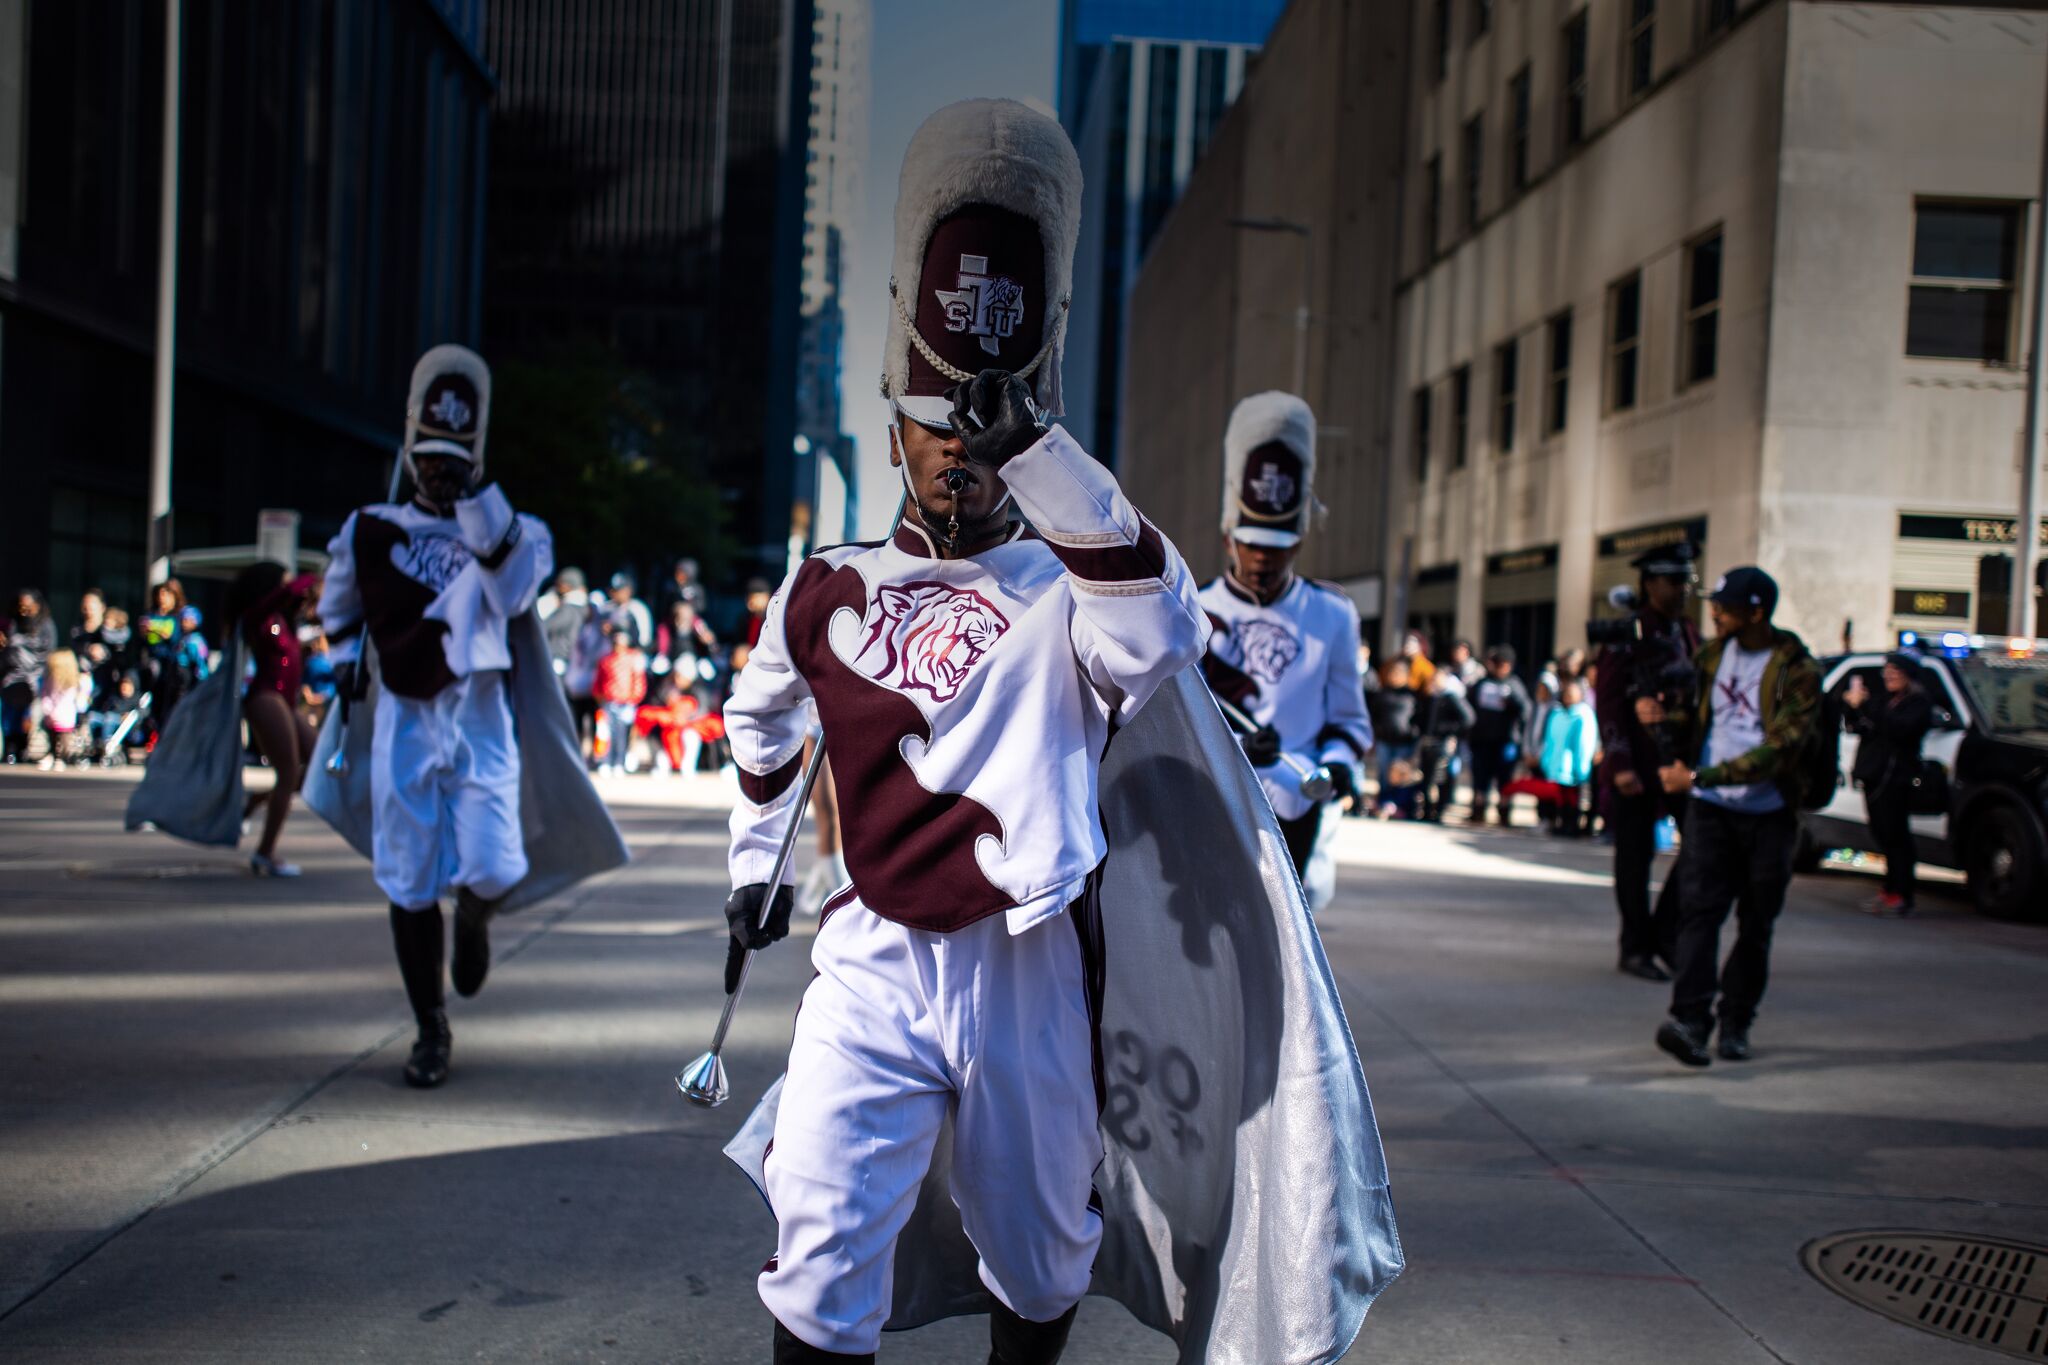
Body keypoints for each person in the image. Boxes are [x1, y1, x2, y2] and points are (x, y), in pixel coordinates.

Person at [723, 100, 1210, 1364]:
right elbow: (760, 715)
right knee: (816, 1261)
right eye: (937, 419)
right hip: (870, 962)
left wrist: (1044, 453)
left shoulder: (1070, 589)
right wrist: (749, 867)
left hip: (1025, 965)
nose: (960, 451)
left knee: (1041, 1264)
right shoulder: (822, 581)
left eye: (985, 428)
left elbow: (1164, 634)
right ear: (892, 425)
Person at [314, 344, 615, 1089]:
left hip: (482, 724)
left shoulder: (515, 527)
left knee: (495, 862)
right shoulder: (368, 529)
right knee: (409, 879)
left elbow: (515, 591)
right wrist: (351, 658)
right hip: (406, 721)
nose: (439, 470)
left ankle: (476, 916)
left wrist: (478, 498)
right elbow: (336, 615)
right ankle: (430, 1027)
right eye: (429, 456)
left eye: (455, 457)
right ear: (410, 453)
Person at [1650, 566, 1822, 1066]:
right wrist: (1659, 718)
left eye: (1724, 606)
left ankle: (1736, 1021)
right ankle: (1691, 1021)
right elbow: (1691, 720)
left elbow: (1781, 751)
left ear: (1755, 611)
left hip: (1768, 815)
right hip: (1711, 813)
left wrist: (1701, 779)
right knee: (1699, 914)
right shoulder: (1710, 656)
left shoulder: (1798, 669)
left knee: (1756, 923)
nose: (1714, 613)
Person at [1197, 391, 1372, 877]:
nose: (1261, 559)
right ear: (1228, 535)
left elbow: (1349, 722)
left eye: (1277, 547)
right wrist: (1232, 746)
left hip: (1298, 806)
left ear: (1299, 539)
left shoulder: (1332, 614)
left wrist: (1336, 767)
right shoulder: (1194, 611)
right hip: (1216, 800)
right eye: (1250, 543)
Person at [1595, 541, 1703, 981]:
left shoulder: (1688, 632)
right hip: (1637, 762)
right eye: (1674, 581)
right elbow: (1608, 703)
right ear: (1650, 583)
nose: (1682, 589)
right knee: (1635, 859)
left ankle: (1663, 934)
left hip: (1678, 761)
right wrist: (1620, 763)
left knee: (1698, 846)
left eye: (1686, 581)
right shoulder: (1628, 632)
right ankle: (1635, 946)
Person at [226, 563, 320, 877]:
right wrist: (313, 577)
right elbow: (283, 595)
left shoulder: (284, 619)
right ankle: (265, 852)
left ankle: (256, 801)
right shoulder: (259, 616)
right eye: (284, 581)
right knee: (289, 772)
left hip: (285, 702)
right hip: (266, 698)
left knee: (316, 766)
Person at [1843, 653, 1935, 916]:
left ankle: (1900, 892)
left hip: (1895, 777)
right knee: (1881, 832)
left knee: (1896, 836)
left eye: (1895, 671)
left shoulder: (1917, 703)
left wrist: (1869, 706)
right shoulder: (1885, 700)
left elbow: (1898, 728)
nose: (1889, 676)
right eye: (1887, 671)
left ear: (1908, 675)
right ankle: (1889, 889)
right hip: (1874, 773)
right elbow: (1862, 726)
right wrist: (1855, 706)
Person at [1464, 645, 1530, 825]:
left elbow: (1525, 711)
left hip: (1506, 740)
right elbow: (1469, 708)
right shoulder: (1481, 683)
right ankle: (1478, 809)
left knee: (1505, 777)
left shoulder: (1514, 685)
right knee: (1480, 777)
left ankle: (1504, 811)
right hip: (1482, 739)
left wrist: (1512, 701)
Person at [1412, 668, 1474, 823]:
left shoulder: (1451, 698)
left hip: (1442, 744)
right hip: (1428, 742)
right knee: (1426, 778)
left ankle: (1438, 811)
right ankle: (1426, 811)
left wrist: (1450, 732)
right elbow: (1419, 718)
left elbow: (1468, 719)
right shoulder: (1430, 698)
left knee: (1439, 778)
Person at [1539, 677, 1599, 835]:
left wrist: (1581, 767)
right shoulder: (1557, 714)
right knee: (1559, 799)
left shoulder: (1583, 715)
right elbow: (1550, 740)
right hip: (1556, 765)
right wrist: (1546, 760)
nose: (1568, 697)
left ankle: (1572, 825)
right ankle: (1560, 823)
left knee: (1573, 800)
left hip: (1573, 767)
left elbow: (1584, 744)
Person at [3, 590, 56, 763]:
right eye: (21, 606)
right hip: (12, 675)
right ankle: (11, 747)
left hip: (35, 676)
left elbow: (49, 651)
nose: (24, 610)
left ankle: (24, 747)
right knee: (10, 714)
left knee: (29, 715)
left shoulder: (45, 625)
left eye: (28, 606)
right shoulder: (12, 623)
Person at [1368, 656, 1424, 818]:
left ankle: (1398, 805)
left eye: (1399, 673)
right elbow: (1374, 715)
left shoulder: (1412, 695)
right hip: (1384, 739)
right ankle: (1383, 802)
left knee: (1400, 775)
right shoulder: (1382, 694)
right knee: (1384, 773)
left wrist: (1414, 733)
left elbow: (1420, 717)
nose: (1395, 676)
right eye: (1393, 672)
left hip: (1404, 741)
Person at [591, 624, 648, 774]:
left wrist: (634, 698)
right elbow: (599, 682)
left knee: (623, 734)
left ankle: (619, 762)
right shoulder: (606, 660)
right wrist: (599, 698)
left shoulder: (634, 658)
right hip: (609, 702)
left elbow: (638, 680)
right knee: (606, 734)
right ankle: (606, 761)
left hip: (627, 703)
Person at [37, 648, 91, 767]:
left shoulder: (75, 681)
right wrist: (47, 707)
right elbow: (46, 693)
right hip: (53, 712)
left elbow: (83, 694)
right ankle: (53, 755)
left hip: (66, 713)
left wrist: (80, 707)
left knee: (64, 737)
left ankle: (62, 757)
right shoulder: (51, 680)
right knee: (52, 736)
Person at [605, 570, 653, 648]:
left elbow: (644, 641)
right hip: (614, 655)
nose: (613, 593)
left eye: (617, 590)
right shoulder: (607, 608)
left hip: (635, 654)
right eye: (612, 590)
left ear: (628, 590)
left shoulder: (638, 609)